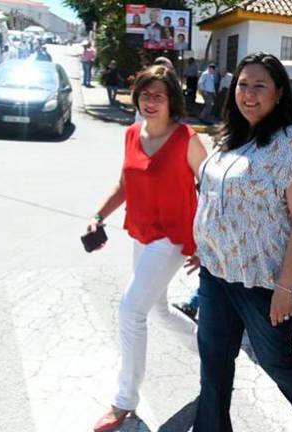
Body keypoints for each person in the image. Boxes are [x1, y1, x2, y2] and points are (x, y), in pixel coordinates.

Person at [192, 52, 292, 431]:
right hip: (218, 274)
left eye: (260, 86)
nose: (249, 94)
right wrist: (205, 246)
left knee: (276, 360)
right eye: (243, 85)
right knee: (214, 361)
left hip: (266, 282)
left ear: (279, 93)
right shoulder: (230, 136)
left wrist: (285, 287)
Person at [89, 65, 207, 432]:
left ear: (173, 100)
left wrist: (205, 241)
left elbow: (213, 192)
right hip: (141, 233)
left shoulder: (187, 138)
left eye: (159, 95)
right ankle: (213, 356)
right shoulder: (130, 134)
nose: (150, 101)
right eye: (145, 94)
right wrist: (98, 215)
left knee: (130, 310)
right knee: (156, 311)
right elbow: (124, 182)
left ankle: (124, 400)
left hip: (172, 238)